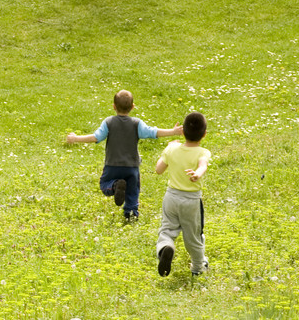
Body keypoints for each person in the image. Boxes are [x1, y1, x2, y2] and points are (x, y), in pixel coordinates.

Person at [66, 90, 183, 219]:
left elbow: (95, 137)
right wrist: (173, 131)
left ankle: (115, 186)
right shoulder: (136, 124)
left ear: (114, 106)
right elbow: (153, 132)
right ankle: (131, 213)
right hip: (131, 166)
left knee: (105, 184)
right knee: (132, 191)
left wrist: (76, 138)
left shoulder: (108, 122)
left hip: (112, 165)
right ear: (133, 107)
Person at [154, 111, 211, 277]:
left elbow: (158, 170)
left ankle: (166, 247)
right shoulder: (203, 152)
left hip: (171, 197)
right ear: (204, 134)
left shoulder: (172, 149)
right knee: (193, 236)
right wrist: (197, 174)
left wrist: (167, 148)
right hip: (191, 201)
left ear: (183, 132)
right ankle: (198, 268)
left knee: (166, 230)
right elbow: (203, 165)